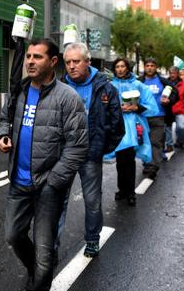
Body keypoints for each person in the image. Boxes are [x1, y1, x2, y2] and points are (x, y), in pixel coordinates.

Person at [0, 38, 88, 291]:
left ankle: (39, 278)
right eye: (28, 56)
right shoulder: (20, 90)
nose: (30, 62)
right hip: (18, 181)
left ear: (53, 62)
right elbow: (6, 118)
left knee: (46, 255)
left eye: (37, 57)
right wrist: (3, 135)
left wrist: (53, 182)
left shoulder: (68, 98)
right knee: (13, 236)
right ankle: (33, 268)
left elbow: (78, 146)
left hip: (48, 186)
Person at [58, 42, 124, 257]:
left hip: (90, 155)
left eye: (76, 61)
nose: (71, 66)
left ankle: (93, 240)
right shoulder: (58, 87)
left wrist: (100, 148)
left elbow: (117, 125)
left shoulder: (105, 88)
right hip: (63, 156)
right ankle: (52, 246)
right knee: (57, 201)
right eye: (67, 62)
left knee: (92, 201)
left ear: (87, 62)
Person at [105, 58, 157, 206]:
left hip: (133, 127)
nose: (120, 69)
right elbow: (103, 105)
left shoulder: (138, 85)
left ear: (127, 68)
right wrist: (116, 109)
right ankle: (122, 190)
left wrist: (136, 108)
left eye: (123, 66)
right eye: (117, 67)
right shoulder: (110, 86)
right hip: (117, 126)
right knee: (120, 161)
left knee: (129, 159)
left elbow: (151, 106)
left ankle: (130, 192)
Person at [138, 57, 178, 178]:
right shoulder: (139, 81)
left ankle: (153, 166)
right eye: (147, 65)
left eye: (152, 65)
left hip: (158, 117)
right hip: (142, 117)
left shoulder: (163, 81)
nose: (149, 67)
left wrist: (168, 100)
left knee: (156, 143)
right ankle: (147, 163)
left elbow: (175, 94)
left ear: (156, 67)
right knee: (144, 142)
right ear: (144, 67)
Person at [166, 66, 184, 149]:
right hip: (168, 108)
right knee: (167, 128)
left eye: (173, 73)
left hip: (179, 109)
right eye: (170, 73)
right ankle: (169, 144)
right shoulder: (165, 82)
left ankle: (180, 141)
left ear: (177, 74)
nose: (172, 75)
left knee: (181, 127)